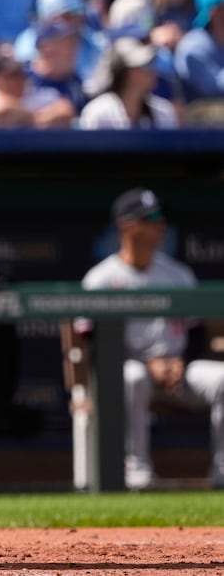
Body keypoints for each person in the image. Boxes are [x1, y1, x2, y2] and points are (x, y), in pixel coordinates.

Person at [75, 188, 224, 490]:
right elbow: (88, 342)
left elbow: (195, 332)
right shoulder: (101, 278)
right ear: (126, 226)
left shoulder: (178, 275)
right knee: (131, 377)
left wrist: (179, 362)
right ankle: (136, 469)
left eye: (161, 217)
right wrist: (147, 363)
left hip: (177, 372)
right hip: (128, 371)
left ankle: (222, 471)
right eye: (151, 218)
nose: (161, 224)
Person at [80, 37, 179, 129]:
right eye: (145, 65)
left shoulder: (164, 112)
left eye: (151, 64)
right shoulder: (98, 113)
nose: (152, 71)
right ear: (127, 72)